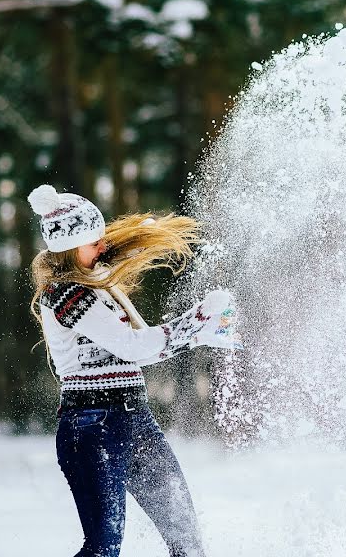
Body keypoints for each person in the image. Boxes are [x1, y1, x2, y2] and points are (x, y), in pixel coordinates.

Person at [28, 184, 239, 557]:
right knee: (103, 548)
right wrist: (197, 324)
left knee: (187, 542)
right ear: (70, 246)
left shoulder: (94, 282)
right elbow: (133, 347)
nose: (102, 246)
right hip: (91, 426)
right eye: (93, 241)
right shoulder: (65, 294)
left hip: (134, 419)